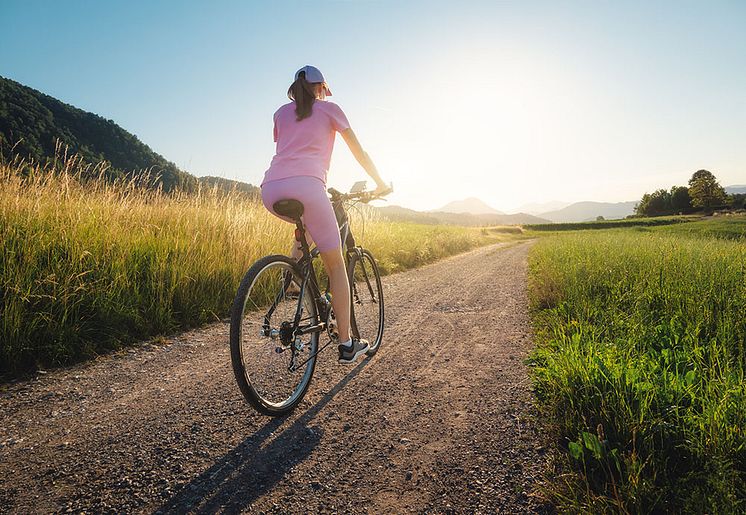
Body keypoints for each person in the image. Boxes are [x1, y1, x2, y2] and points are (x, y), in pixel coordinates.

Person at [261, 65, 390, 365]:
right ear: (320, 89)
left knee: (304, 223)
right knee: (336, 267)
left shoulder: (280, 113)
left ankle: (293, 277)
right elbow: (359, 152)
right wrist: (380, 183)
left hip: (271, 189)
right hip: (309, 187)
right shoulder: (330, 110)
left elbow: (287, 145)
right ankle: (346, 344)